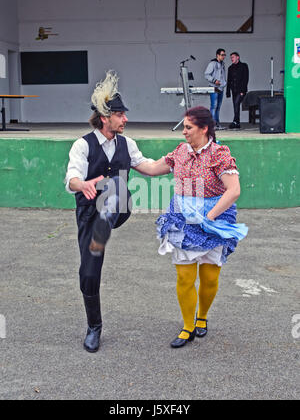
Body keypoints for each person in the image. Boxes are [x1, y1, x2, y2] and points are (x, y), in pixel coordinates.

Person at [138, 106, 248, 348]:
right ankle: (187, 326)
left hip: (214, 220)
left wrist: (209, 215)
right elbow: (152, 169)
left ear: (204, 128)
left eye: (188, 127)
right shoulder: (180, 152)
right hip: (182, 220)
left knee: (209, 277)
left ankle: (202, 317)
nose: (184, 132)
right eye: (184, 127)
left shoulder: (220, 154)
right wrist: (127, 155)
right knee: (184, 277)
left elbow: (234, 190)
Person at [65, 70, 159, 353]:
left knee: (116, 182)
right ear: (105, 117)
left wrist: (177, 158)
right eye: (120, 114)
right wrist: (83, 184)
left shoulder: (127, 144)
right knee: (89, 274)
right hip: (90, 217)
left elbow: (149, 167)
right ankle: (94, 327)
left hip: (119, 208)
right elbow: (72, 180)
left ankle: (106, 221)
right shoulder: (83, 144)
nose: (125, 119)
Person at [204, 49, 227, 130]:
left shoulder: (222, 64)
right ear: (217, 55)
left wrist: (224, 84)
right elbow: (206, 75)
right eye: (222, 55)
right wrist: (214, 80)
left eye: (224, 55)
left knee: (218, 106)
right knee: (213, 106)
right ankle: (212, 124)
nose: (224, 56)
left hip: (221, 88)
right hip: (214, 87)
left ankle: (217, 124)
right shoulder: (212, 63)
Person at [226, 52, 249, 129]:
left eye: (233, 57)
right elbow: (229, 80)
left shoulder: (244, 66)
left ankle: (235, 121)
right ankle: (237, 122)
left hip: (241, 90)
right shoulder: (230, 68)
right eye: (231, 57)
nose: (231, 59)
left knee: (236, 103)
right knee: (235, 105)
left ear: (238, 57)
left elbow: (245, 78)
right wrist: (228, 91)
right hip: (234, 90)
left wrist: (243, 90)